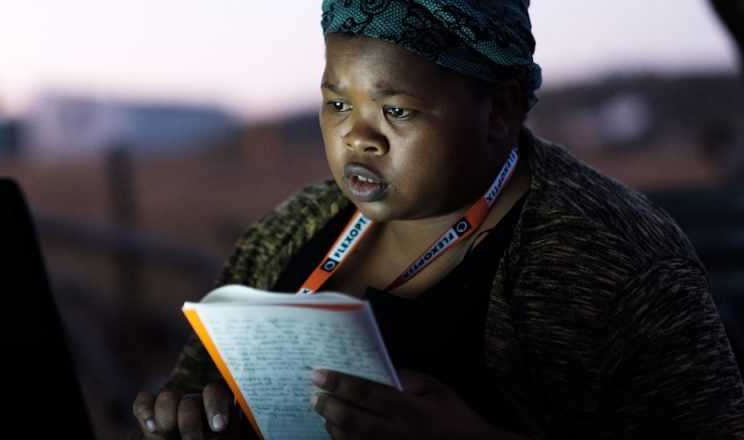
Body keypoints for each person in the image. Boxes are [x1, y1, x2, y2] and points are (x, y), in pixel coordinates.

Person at [133, 0, 744, 438]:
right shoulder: (287, 232)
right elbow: (192, 388)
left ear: (498, 112)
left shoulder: (618, 264)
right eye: (337, 103)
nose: (358, 137)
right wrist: (181, 422)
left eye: (397, 110)